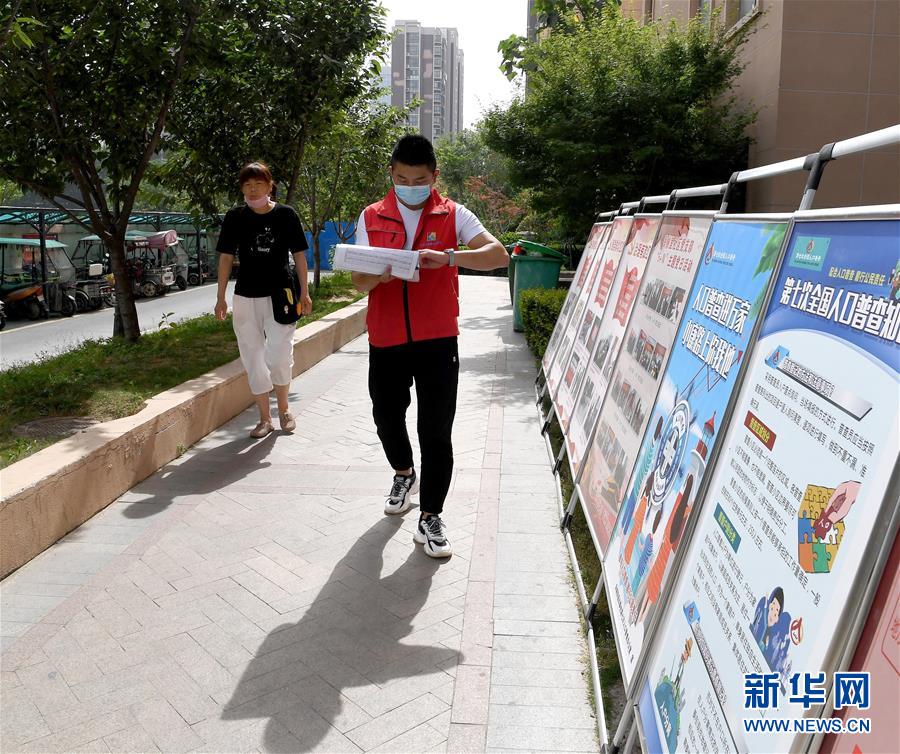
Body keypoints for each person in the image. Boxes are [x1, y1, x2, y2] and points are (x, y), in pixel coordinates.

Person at [352, 135, 509, 558]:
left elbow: (497, 255)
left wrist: (450, 257)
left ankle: (431, 515)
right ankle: (404, 473)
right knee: (386, 417)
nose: (410, 186)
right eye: (402, 179)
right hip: (386, 338)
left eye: (419, 180)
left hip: (438, 340)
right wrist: (380, 273)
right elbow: (359, 280)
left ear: (434, 176)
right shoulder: (371, 216)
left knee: (436, 430)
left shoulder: (454, 213)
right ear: (392, 174)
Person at [215, 162, 313, 438]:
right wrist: (220, 297)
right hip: (246, 297)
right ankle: (264, 418)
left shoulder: (286, 215)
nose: (253, 189)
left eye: (258, 183)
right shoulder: (235, 217)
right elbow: (225, 258)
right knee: (253, 358)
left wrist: (304, 292)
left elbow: (299, 256)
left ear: (270, 185)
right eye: (247, 185)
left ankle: (284, 410)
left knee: (280, 355)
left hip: (281, 295)